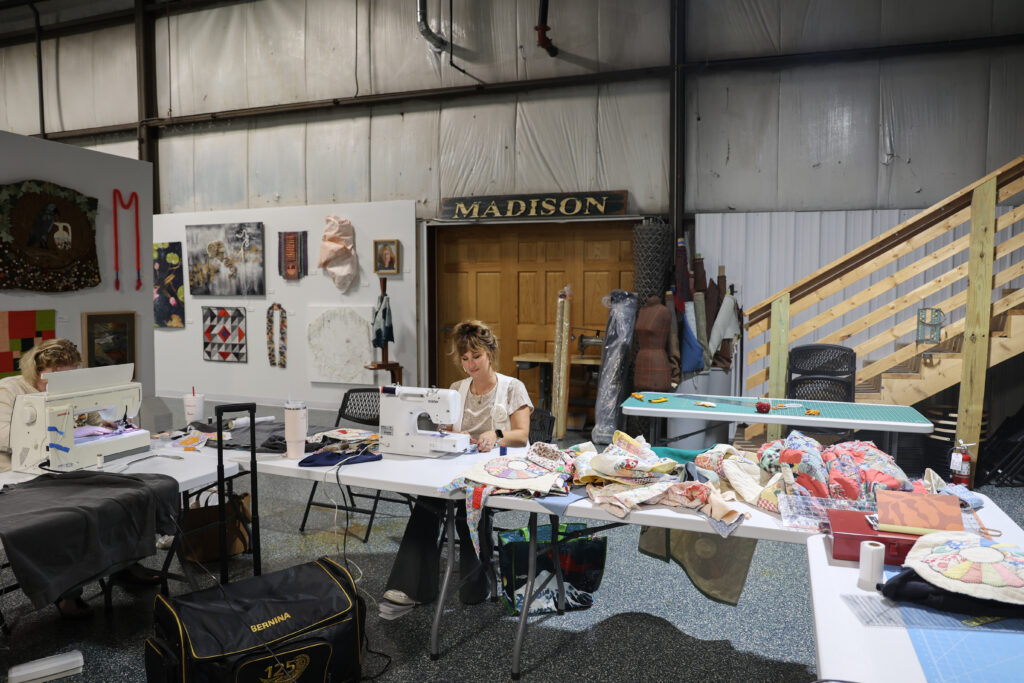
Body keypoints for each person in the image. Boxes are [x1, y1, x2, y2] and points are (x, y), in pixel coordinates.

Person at [0, 338, 156, 618]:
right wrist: (65, 434)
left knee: (119, 497)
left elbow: (87, 410)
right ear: (38, 372)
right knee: (66, 520)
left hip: (63, 465)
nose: (64, 385)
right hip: (19, 471)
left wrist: (106, 422)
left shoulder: (67, 385)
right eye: (57, 379)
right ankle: (67, 592)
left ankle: (125, 563)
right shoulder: (9, 390)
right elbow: (3, 434)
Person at [382, 319, 532, 608]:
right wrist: (447, 435)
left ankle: (475, 585)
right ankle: (411, 588)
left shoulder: (513, 388)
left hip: (495, 472)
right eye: (465, 358)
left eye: (476, 356)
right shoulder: (457, 389)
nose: (470, 364)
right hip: (459, 468)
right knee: (428, 500)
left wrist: (496, 433)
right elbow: (448, 432)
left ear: (490, 354)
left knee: (467, 506)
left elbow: (522, 435)